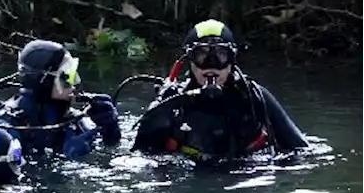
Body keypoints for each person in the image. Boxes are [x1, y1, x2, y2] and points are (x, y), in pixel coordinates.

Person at [131, 20, 309, 162]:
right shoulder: (172, 103)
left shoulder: (254, 97)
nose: (211, 64)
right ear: (190, 61)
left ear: (232, 60)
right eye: (202, 55)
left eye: (221, 55)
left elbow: (300, 150)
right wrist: (151, 133)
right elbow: (139, 159)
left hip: (246, 177)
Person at [0, 39, 121, 162]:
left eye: (74, 74)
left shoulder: (78, 124)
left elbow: (113, 158)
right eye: (67, 76)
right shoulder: (5, 129)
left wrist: (110, 131)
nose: (75, 83)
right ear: (43, 81)